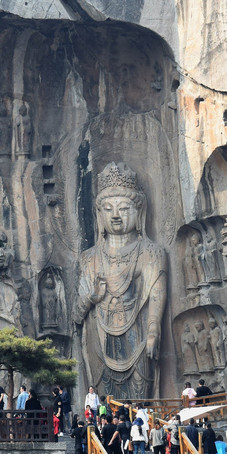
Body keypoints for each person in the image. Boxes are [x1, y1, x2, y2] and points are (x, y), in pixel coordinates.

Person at [72, 163, 167, 399]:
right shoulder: (90, 257)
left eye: (124, 208)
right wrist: (90, 298)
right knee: (104, 393)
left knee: (139, 390)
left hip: (139, 331)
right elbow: (76, 315)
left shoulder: (151, 253)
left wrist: (154, 328)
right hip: (99, 335)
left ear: (139, 211)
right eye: (108, 209)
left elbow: (156, 294)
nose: (115, 215)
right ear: (99, 214)